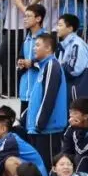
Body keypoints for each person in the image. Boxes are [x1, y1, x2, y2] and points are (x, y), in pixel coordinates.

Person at [26, 33, 68, 168]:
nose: (34, 48)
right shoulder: (44, 66)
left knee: (49, 169)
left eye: (37, 45)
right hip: (40, 129)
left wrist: (40, 123)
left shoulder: (52, 65)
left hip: (48, 129)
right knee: (40, 169)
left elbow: (49, 97)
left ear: (48, 48)